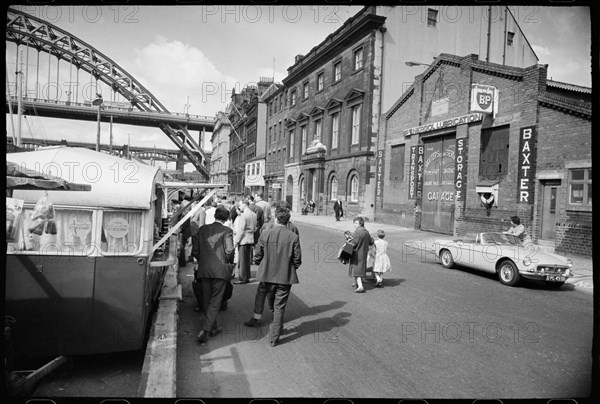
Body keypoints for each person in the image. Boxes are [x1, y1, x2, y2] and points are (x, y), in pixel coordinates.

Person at [244, 207, 302, 347]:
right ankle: (274, 336)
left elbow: (258, 255)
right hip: (284, 277)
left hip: (267, 275)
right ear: (288, 221)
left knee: (271, 303)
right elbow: (297, 259)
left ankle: (274, 326)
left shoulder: (265, 234)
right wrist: (289, 267)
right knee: (279, 306)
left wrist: (260, 263)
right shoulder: (293, 236)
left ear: (276, 218)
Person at [192, 206, 235, 343]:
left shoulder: (202, 230)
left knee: (206, 301)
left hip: (204, 270)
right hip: (220, 271)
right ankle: (205, 330)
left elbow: (195, 251)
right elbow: (229, 251)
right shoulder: (227, 231)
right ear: (227, 218)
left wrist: (202, 260)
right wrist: (228, 263)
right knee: (215, 301)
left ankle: (213, 327)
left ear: (215, 215)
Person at [233, 199, 257, 284]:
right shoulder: (254, 214)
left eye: (240, 205)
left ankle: (242, 278)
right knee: (247, 259)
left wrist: (236, 241)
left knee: (242, 260)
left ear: (244, 205)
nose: (239, 207)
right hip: (250, 238)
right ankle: (247, 276)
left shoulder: (243, 215)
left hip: (243, 239)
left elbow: (241, 229)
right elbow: (255, 228)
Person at [349, 216, 374, 293]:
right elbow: (371, 241)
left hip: (356, 253)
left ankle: (360, 286)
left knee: (356, 269)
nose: (354, 224)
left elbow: (354, 243)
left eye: (356, 223)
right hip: (364, 253)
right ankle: (356, 283)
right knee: (359, 268)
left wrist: (349, 241)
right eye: (354, 223)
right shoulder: (366, 231)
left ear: (360, 223)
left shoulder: (357, 231)